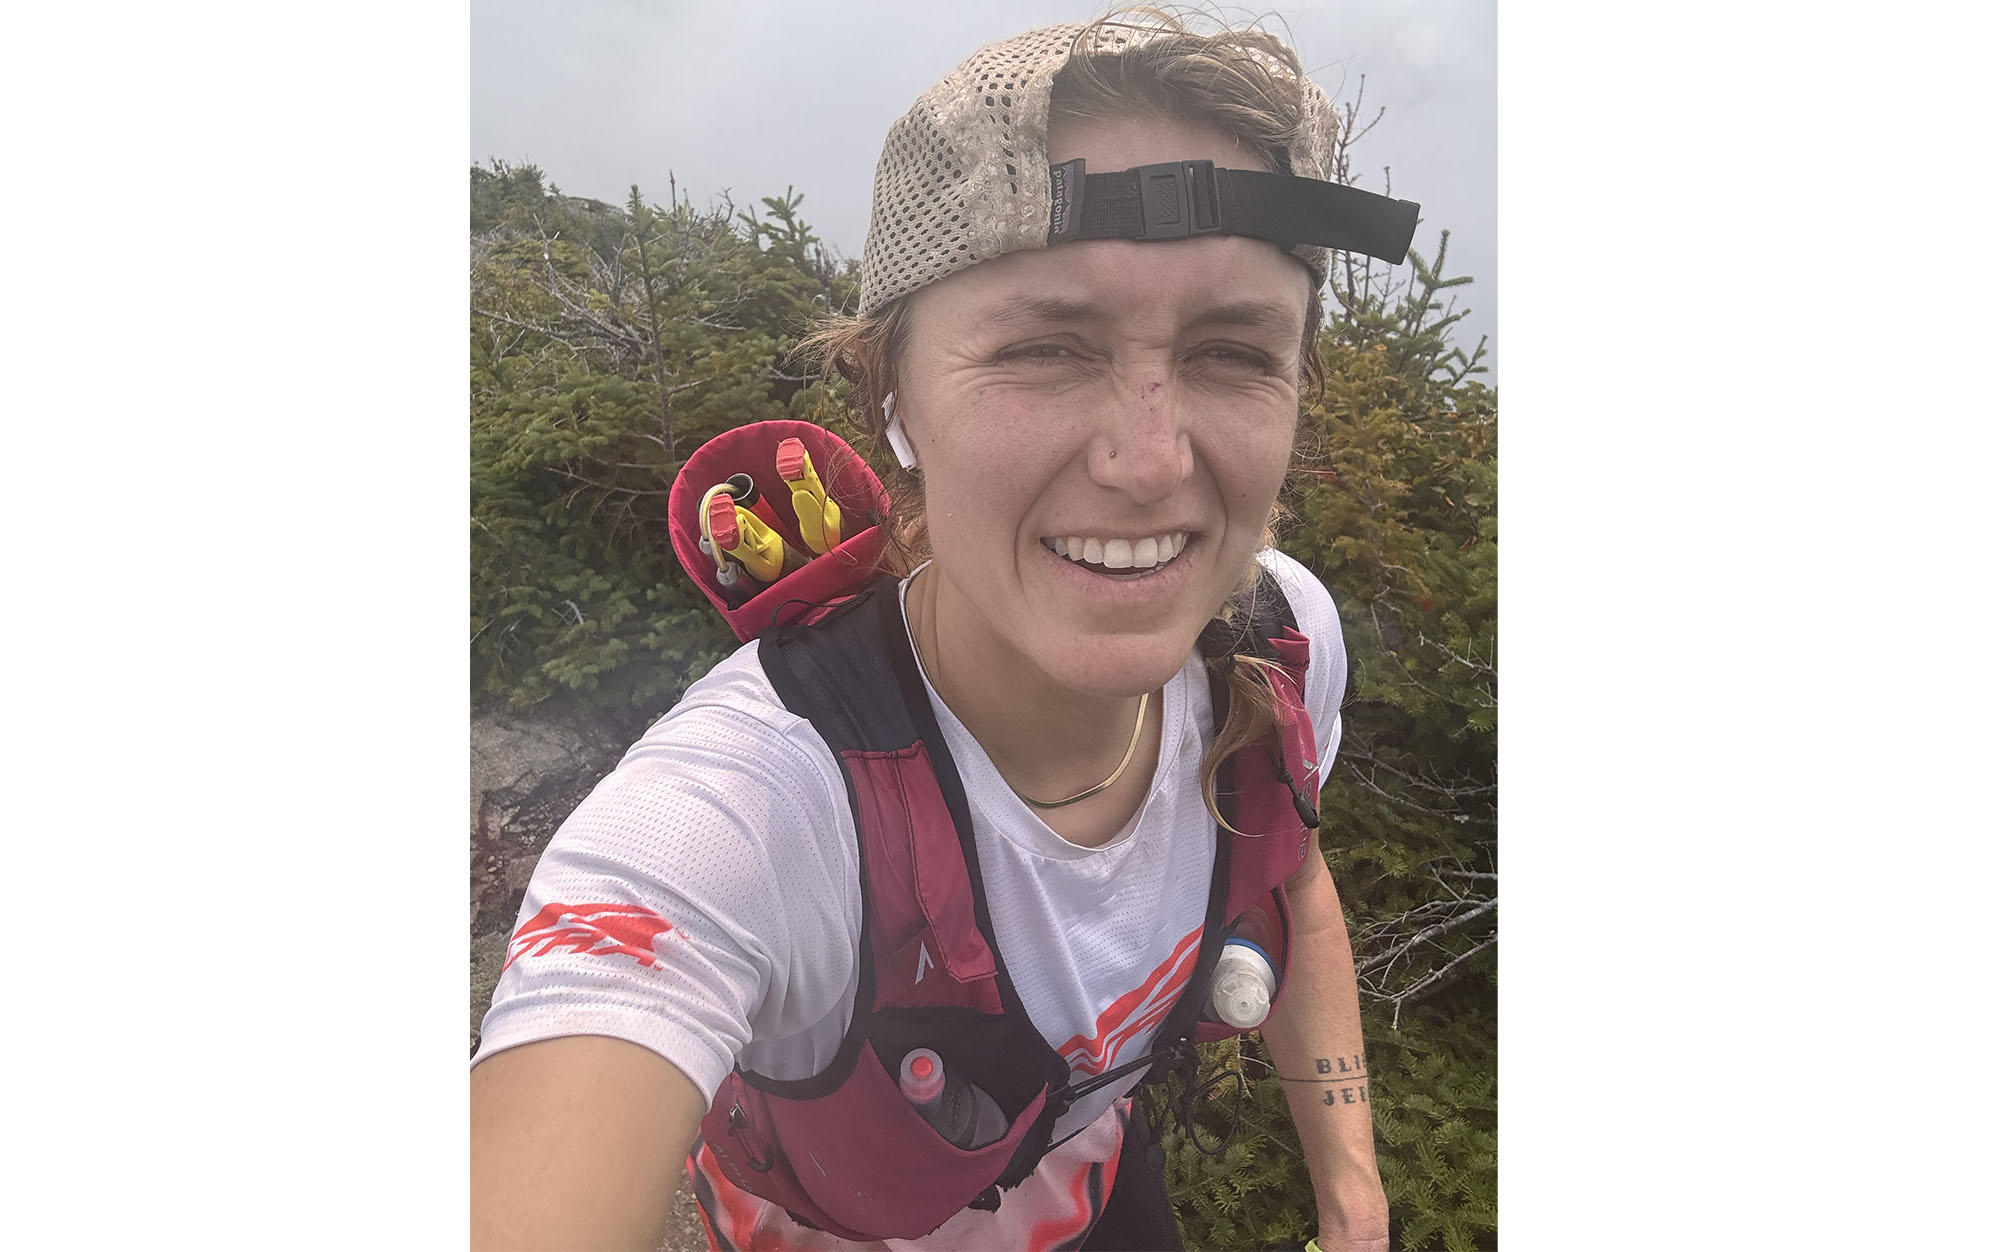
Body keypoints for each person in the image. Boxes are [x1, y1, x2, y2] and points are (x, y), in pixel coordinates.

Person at [472, 9, 1414, 1250]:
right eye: (1042, 348)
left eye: (1232, 351)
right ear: (890, 398)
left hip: (1094, 1193)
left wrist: (1350, 1190)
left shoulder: (1278, 636)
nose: (1147, 461)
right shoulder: (758, 808)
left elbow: (1281, 852)